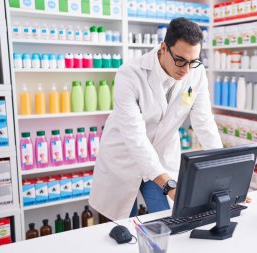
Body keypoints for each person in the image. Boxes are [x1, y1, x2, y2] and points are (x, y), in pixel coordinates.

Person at [89, 18, 223, 220]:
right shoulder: (130, 74)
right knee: (125, 226)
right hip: (124, 158)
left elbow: (204, 122)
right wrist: (167, 184)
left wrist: (222, 174)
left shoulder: (197, 73)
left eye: (192, 61)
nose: (186, 69)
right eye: (180, 60)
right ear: (163, 48)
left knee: (170, 218)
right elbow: (134, 136)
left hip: (162, 156)